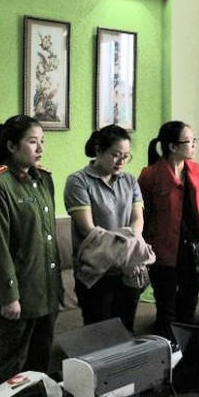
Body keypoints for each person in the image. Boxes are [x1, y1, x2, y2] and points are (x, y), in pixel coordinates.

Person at [0, 115, 62, 386]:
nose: (40, 148)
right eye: (32, 142)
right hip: (17, 298)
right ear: (11, 146)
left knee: (40, 368)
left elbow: (46, 238)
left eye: (42, 141)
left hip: (45, 292)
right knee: (10, 374)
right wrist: (8, 296)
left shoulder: (43, 179)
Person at [64, 124, 149, 332]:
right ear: (99, 150)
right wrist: (126, 253)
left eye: (126, 156)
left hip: (127, 272)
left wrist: (130, 255)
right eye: (115, 155)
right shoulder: (78, 181)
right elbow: (89, 229)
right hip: (96, 273)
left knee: (125, 332)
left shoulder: (130, 181)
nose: (121, 161)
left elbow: (137, 220)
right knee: (99, 335)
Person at [138, 121, 199, 342]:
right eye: (189, 141)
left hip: (193, 249)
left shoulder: (196, 171)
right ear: (173, 146)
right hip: (163, 251)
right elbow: (143, 214)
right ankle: (166, 355)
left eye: (194, 140)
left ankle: (186, 354)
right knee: (166, 312)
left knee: (188, 307)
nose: (194, 145)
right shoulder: (150, 175)